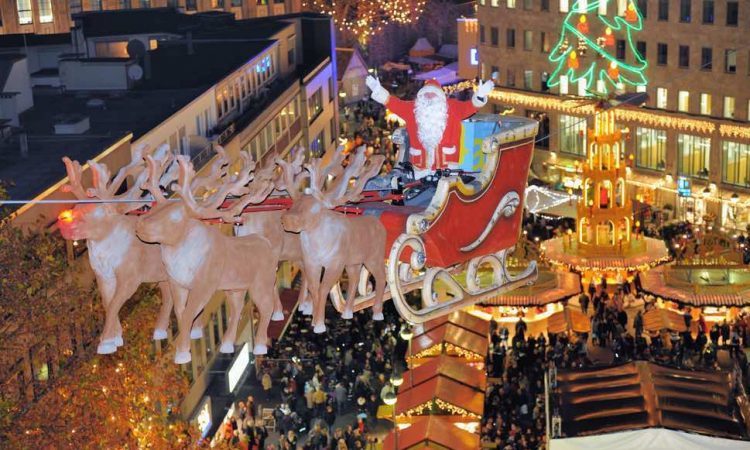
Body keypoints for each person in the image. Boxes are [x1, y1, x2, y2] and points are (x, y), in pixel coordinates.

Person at [365, 76, 494, 178]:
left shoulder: (452, 108)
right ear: (420, 97)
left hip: (447, 169)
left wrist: (480, 96)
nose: (429, 98)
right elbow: (393, 103)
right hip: (419, 169)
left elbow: (470, 106)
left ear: (440, 97)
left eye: (433, 95)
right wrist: (378, 91)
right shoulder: (413, 109)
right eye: (426, 95)